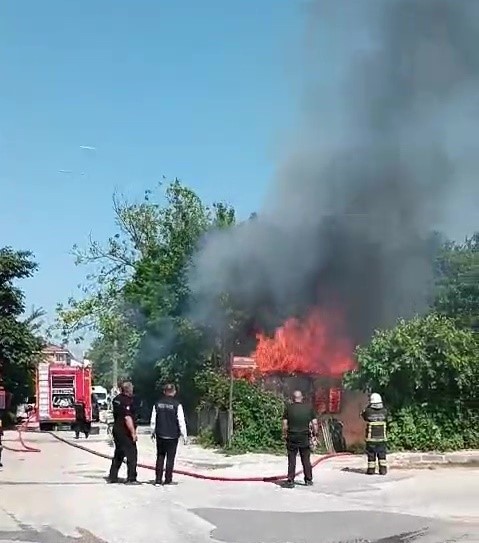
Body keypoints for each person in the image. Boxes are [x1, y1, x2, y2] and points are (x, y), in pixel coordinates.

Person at [150, 383, 187, 486]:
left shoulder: (157, 404)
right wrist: (184, 435)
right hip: (172, 435)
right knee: (170, 458)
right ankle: (168, 479)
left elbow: (153, 420)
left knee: (160, 457)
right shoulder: (177, 405)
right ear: (174, 392)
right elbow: (181, 421)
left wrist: (152, 432)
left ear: (164, 392)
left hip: (160, 434)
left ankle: (158, 480)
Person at [282, 390, 318, 488]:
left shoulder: (288, 408)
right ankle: (308, 480)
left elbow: (285, 424)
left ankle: (290, 481)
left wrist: (285, 434)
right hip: (304, 437)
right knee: (306, 459)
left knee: (292, 459)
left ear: (293, 398)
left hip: (292, 437)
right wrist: (315, 435)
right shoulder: (308, 408)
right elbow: (315, 423)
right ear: (301, 397)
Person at [107, 381, 140, 485]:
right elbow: (127, 417)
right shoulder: (127, 401)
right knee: (132, 454)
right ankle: (131, 478)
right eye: (131, 388)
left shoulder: (116, 400)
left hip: (117, 430)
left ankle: (113, 476)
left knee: (119, 453)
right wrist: (133, 433)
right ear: (128, 389)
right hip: (125, 431)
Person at [361, 392, 388, 475]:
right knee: (382, 454)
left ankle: (371, 470)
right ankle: (383, 470)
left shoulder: (368, 411)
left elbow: (364, 417)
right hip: (382, 438)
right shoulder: (384, 411)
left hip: (371, 438)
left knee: (371, 454)